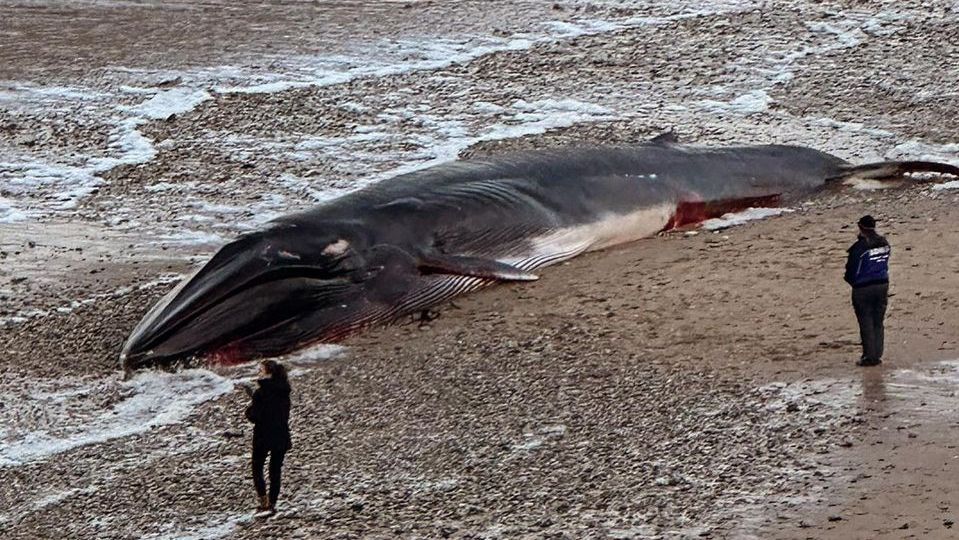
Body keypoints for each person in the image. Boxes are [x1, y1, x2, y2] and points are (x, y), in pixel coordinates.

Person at [244, 359, 292, 512]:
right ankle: (272, 503)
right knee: (275, 470)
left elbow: (254, 416)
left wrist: (248, 410)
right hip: (281, 434)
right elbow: (284, 413)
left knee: (257, 467)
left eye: (261, 370)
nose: (259, 373)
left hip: (263, 436)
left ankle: (263, 501)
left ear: (268, 373)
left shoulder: (261, 393)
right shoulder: (285, 390)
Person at [843, 215, 890, 367]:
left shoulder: (859, 248)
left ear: (860, 227)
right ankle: (877, 353)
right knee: (878, 321)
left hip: (863, 288)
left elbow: (851, 271)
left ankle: (870, 356)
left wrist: (854, 282)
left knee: (866, 322)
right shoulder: (884, 243)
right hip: (882, 284)